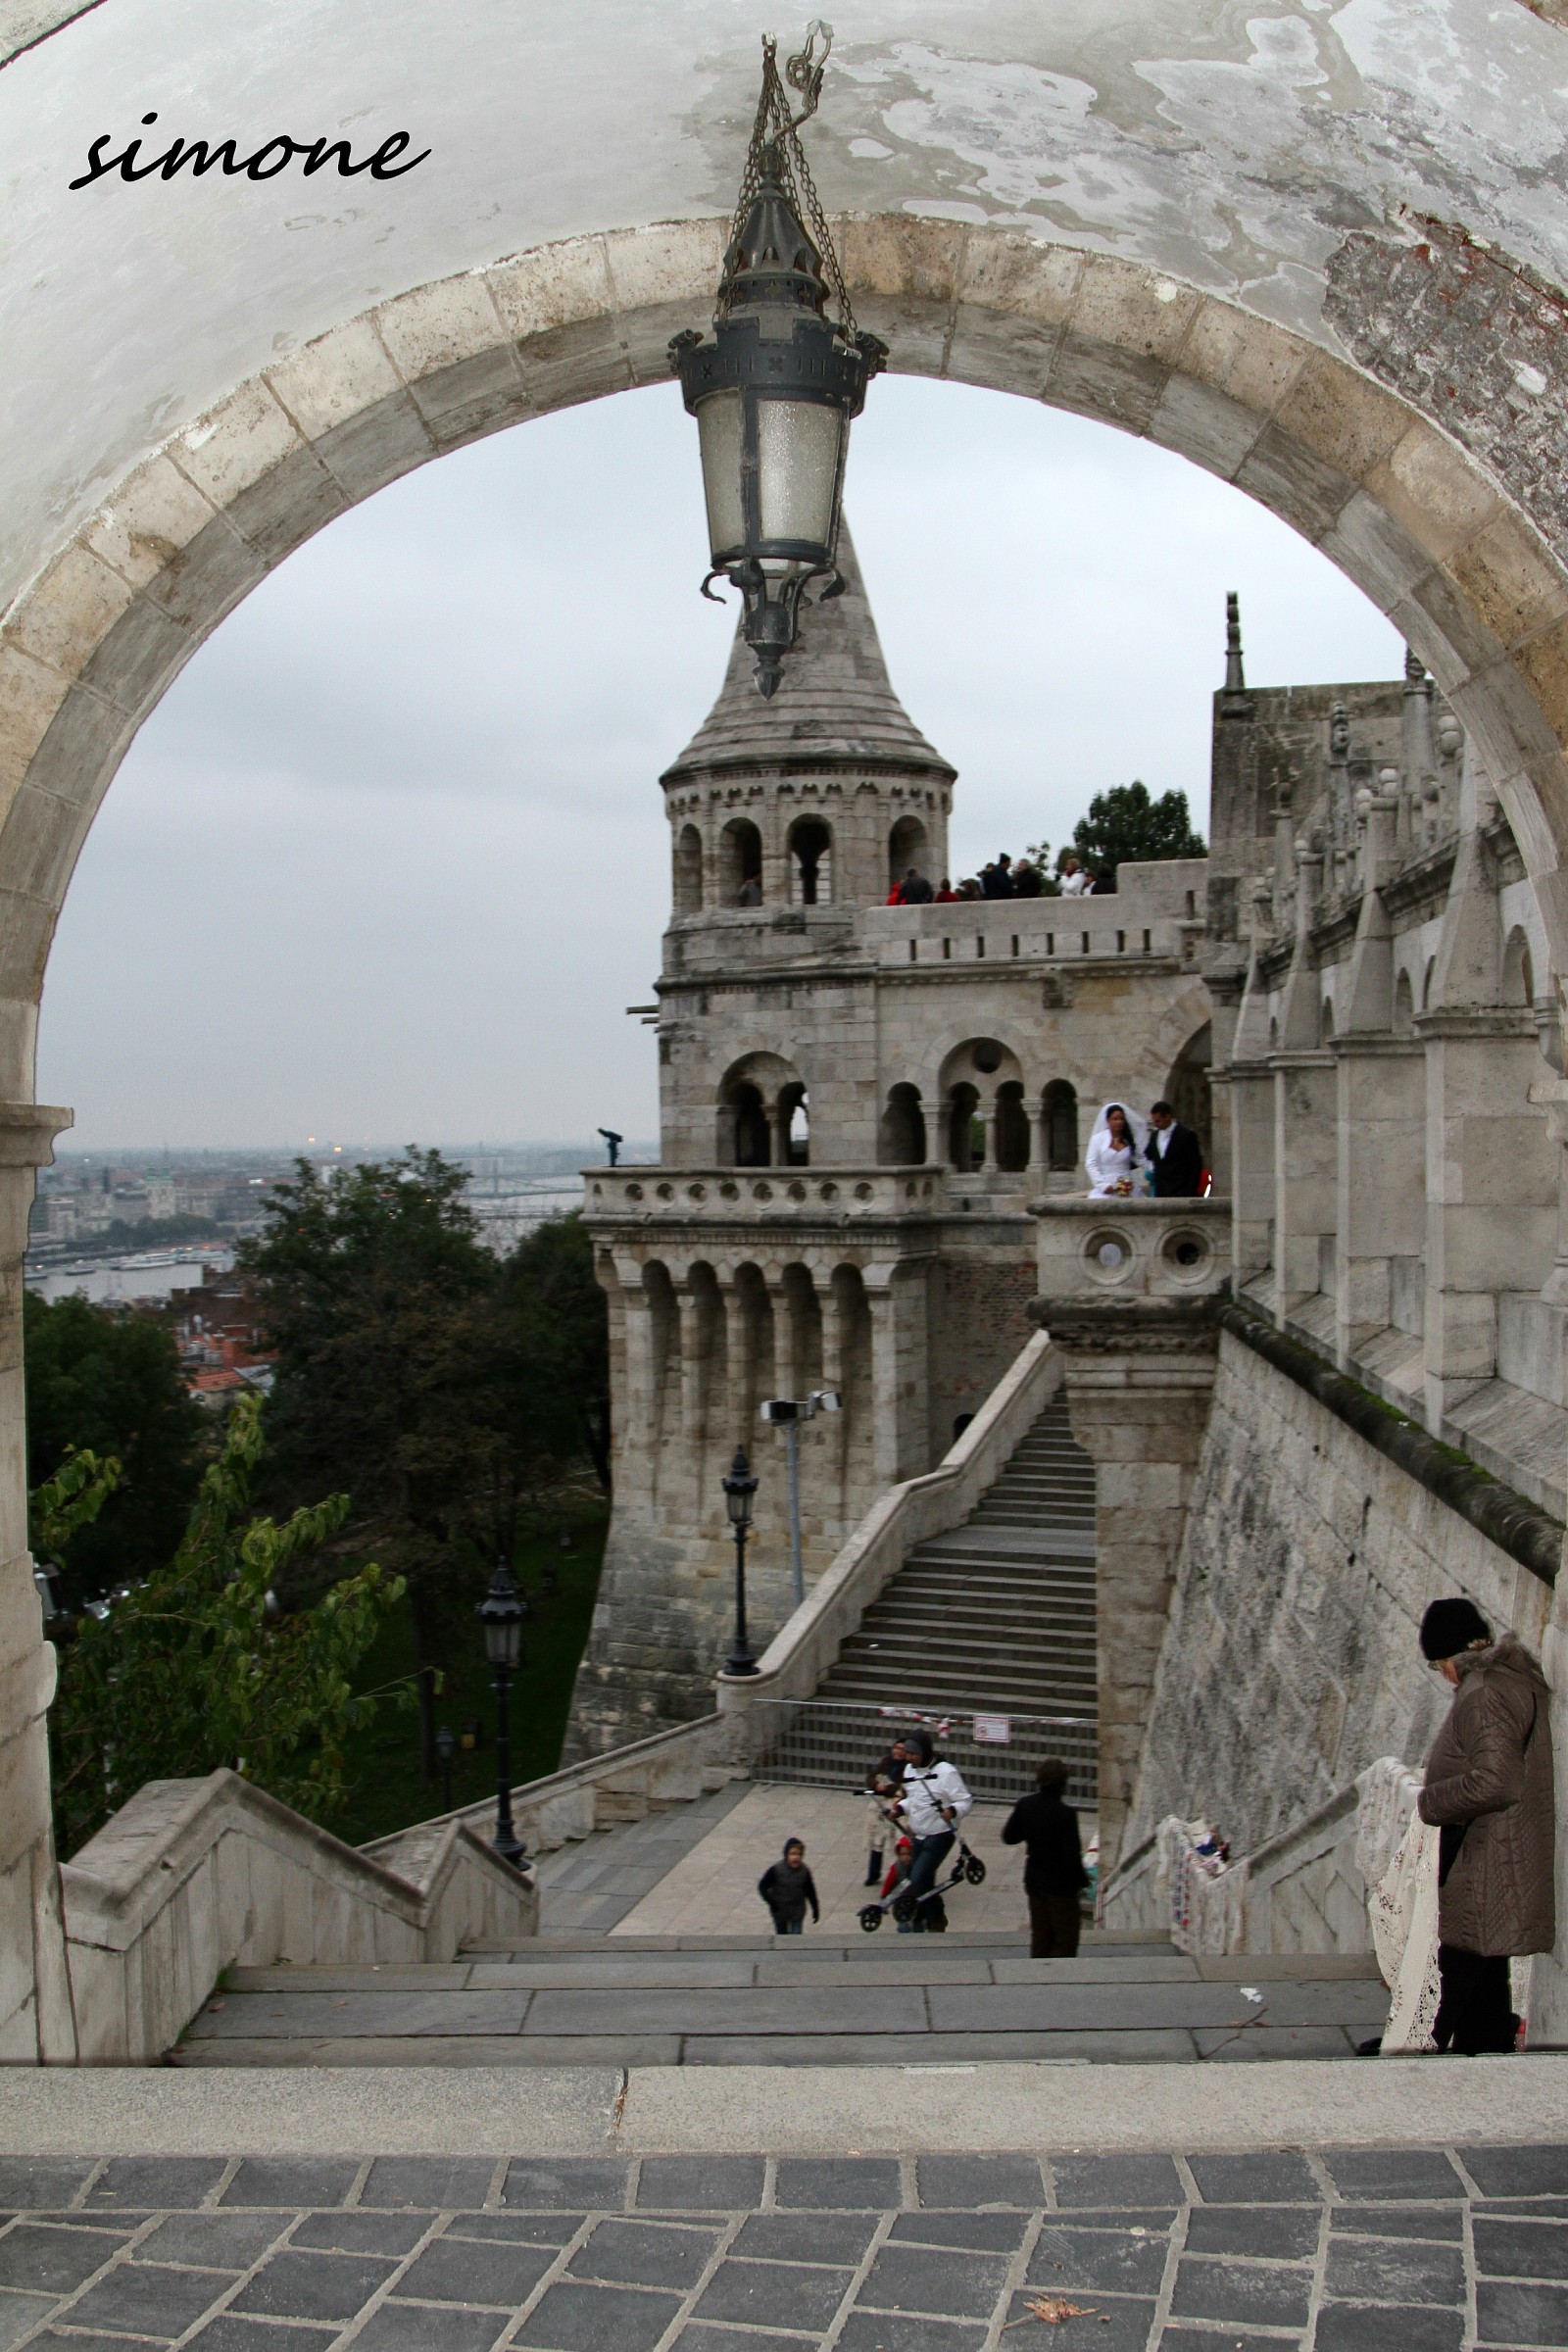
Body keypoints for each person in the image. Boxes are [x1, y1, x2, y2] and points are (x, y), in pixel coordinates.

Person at [1416, 1597, 1554, 2054]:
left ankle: (1423, 2049)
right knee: (1483, 1974)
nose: (1443, 1675)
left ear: (1451, 1656)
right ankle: (1480, 2048)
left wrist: (1432, 1801)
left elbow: (1497, 1781)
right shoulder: (1507, 1678)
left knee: (1460, 1969)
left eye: (1438, 1665)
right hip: (1498, 1845)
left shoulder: (1483, 1693)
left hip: (1486, 1853)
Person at [1002, 1757, 1088, 1957]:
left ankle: (1038, 1971)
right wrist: (1082, 1882)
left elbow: (1009, 1837)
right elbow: (1072, 1855)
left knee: (1040, 1934)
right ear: (1063, 1784)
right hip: (1061, 1885)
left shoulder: (1025, 1805)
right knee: (1065, 1939)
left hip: (1035, 1879)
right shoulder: (1066, 1814)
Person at [895, 1729, 972, 1933]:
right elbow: (915, 1801)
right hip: (918, 1834)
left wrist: (952, 1811)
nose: (909, 1758)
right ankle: (923, 1919)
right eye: (907, 1754)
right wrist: (900, 1808)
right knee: (921, 1879)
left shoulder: (946, 1773)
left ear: (925, 1752)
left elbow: (965, 1801)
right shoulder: (910, 1770)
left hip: (940, 1834)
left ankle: (936, 1918)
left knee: (919, 1878)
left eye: (913, 1754)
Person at [865, 1740, 907, 1886]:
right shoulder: (886, 1762)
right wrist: (876, 1784)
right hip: (879, 1805)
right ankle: (873, 1874)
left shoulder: (907, 1767)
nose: (898, 1752)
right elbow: (870, 1777)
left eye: (902, 1749)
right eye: (896, 1748)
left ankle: (898, 1875)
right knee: (876, 1838)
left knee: (896, 1841)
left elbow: (900, 1786)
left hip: (896, 1806)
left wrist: (886, 1788)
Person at [758, 1838, 820, 1936]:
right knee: (782, 1937)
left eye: (798, 1854)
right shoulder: (776, 1870)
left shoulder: (804, 1871)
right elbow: (762, 1886)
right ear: (786, 1855)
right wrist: (772, 1902)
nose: (796, 1857)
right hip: (780, 1911)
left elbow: (810, 1891)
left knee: (795, 1939)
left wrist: (815, 1909)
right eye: (792, 1854)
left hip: (797, 1911)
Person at [1085, 1101, 1149, 1197]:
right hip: (1107, 1184)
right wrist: (1102, 1185)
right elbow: (1090, 1163)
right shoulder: (1098, 1139)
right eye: (1115, 1119)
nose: (1118, 1122)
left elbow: (1140, 1159)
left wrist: (1152, 1169)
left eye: (1121, 1119)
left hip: (1127, 1184)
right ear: (1108, 1120)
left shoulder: (1128, 1140)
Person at [1145, 1100, 1203, 1198]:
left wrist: (1190, 1191)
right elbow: (1150, 1155)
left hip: (1181, 1190)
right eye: (1154, 1121)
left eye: (1158, 1121)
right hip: (1161, 1192)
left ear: (1168, 1117)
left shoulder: (1186, 1135)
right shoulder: (1154, 1135)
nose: (1155, 1124)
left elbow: (1195, 1165)